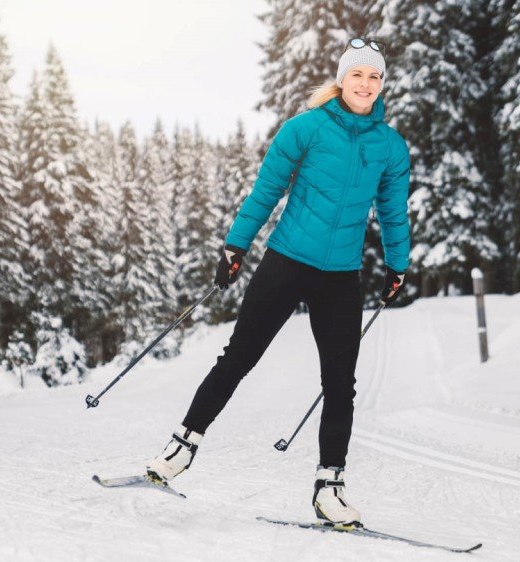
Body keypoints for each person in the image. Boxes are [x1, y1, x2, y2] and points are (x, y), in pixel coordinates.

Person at [145, 39, 410, 527]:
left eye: (375, 77)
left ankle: (329, 486)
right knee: (238, 358)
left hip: (341, 277)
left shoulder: (390, 147)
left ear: (381, 84)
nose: (366, 84)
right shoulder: (305, 129)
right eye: (358, 75)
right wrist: (234, 247)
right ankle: (180, 448)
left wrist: (398, 263)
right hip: (286, 262)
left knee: (340, 384)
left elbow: (393, 211)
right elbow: (266, 190)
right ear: (341, 79)